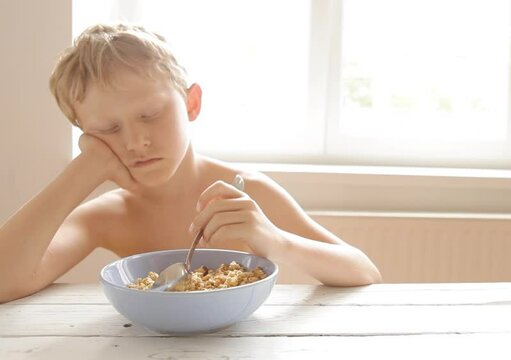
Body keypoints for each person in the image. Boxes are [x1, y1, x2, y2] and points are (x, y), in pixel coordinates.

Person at [0, 23, 381, 303]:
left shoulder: (244, 190)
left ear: (191, 104)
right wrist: (85, 169)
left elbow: (363, 271)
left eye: (150, 115)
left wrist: (274, 239)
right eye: (109, 129)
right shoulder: (107, 215)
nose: (136, 142)